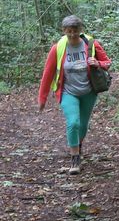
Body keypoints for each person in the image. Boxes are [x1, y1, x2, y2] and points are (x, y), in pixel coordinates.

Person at [38, 15, 111, 175]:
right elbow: (48, 74)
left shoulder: (91, 44)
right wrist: (42, 98)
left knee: (83, 126)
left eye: (75, 31)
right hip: (67, 92)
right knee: (73, 123)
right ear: (64, 31)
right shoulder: (58, 48)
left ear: (81, 30)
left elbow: (107, 62)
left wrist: (97, 63)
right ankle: (75, 158)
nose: (72, 34)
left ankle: (77, 145)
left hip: (88, 92)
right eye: (69, 31)